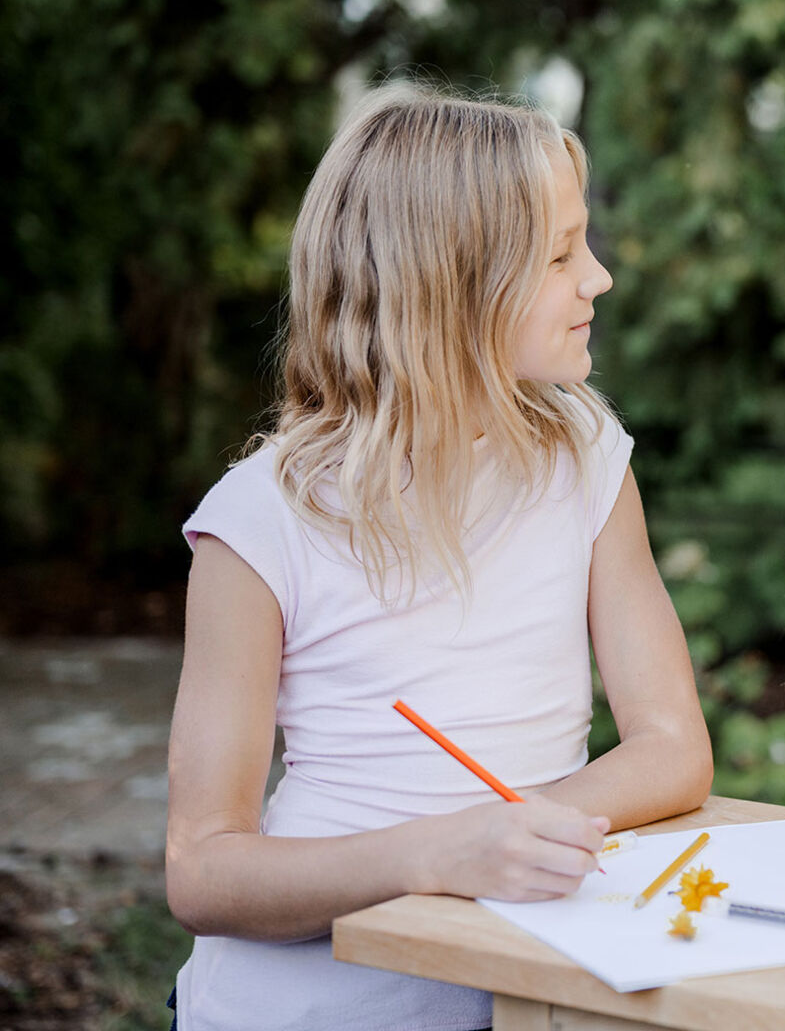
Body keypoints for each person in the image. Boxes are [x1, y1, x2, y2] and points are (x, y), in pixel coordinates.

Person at [164, 84, 713, 1031]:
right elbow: (203, 869)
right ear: (454, 285)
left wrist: (518, 832)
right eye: (558, 255)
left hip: (519, 999)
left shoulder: (585, 458)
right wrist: (439, 854)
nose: (598, 278)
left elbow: (673, 747)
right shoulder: (258, 525)